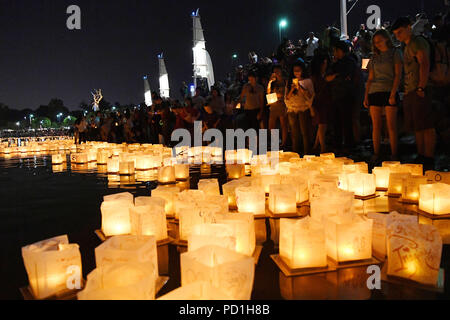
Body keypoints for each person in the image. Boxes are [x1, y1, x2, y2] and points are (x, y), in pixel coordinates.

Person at [392, 17, 436, 168]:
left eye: (400, 32)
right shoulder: (407, 46)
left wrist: (421, 87)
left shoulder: (417, 42)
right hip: (412, 90)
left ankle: (428, 157)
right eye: (396, 34)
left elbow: (424, 63)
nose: (398, 36)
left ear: (409, 28)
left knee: (426, 125)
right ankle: (422, 155)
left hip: (419, 89)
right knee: (418, 125)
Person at [364, 29, 403, 162]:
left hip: (389, 89)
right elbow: (370, 78)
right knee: (376, 125)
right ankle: (376, 153)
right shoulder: (373, 57)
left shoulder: (395, 53)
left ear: (386, 39)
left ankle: (394, 153)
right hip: (375, 91)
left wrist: (393, 93)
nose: (378, 44)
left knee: (391, 125)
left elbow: (398, 74)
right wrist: (366, 96)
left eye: (380, 41)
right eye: (375, 42)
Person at [326, 40, 358, 152]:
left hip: (346, 95)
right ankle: (338, 145)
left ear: (340, 50)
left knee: (346, 122)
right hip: (336, 96)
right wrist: (336, 75)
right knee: (337, 122)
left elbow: (345, 76)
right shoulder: (335, 63)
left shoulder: (349, 62)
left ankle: (349, 145)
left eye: (335, 50)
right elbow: (327, 77)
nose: (333, 53)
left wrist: (335, 76)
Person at [284, 60, 315, 155]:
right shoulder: (289, 82)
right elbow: (287, 97)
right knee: (294, 133)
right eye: (294, 71)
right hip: (292, 109)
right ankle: (295, 153)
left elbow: (310, 95)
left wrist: (300, 88)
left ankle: (306, 153)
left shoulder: (307, 81)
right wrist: (292, 89)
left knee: (304, 132)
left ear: (302, 71)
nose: (296, 73)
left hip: (303, 108)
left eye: (298, 70)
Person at [311, 54, 333, 154]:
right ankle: (323, 147)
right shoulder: (316, 76)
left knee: (322, 124)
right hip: (319, 101)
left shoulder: (322, 74)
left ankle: (316, 145)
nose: (325, 63)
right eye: (324, 62)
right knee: (322, 124)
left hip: (324, 100)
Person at [267, 65, 288, 149]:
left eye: (278, 71)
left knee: (283, 124)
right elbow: (268, 92)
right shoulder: (273, 82)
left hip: (282, 104)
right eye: (274, 71)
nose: (276, 73)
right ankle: (275, 142)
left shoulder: (285, 81)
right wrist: (269, 82)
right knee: (271, 125)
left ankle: (284, 143)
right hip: (274, 105)